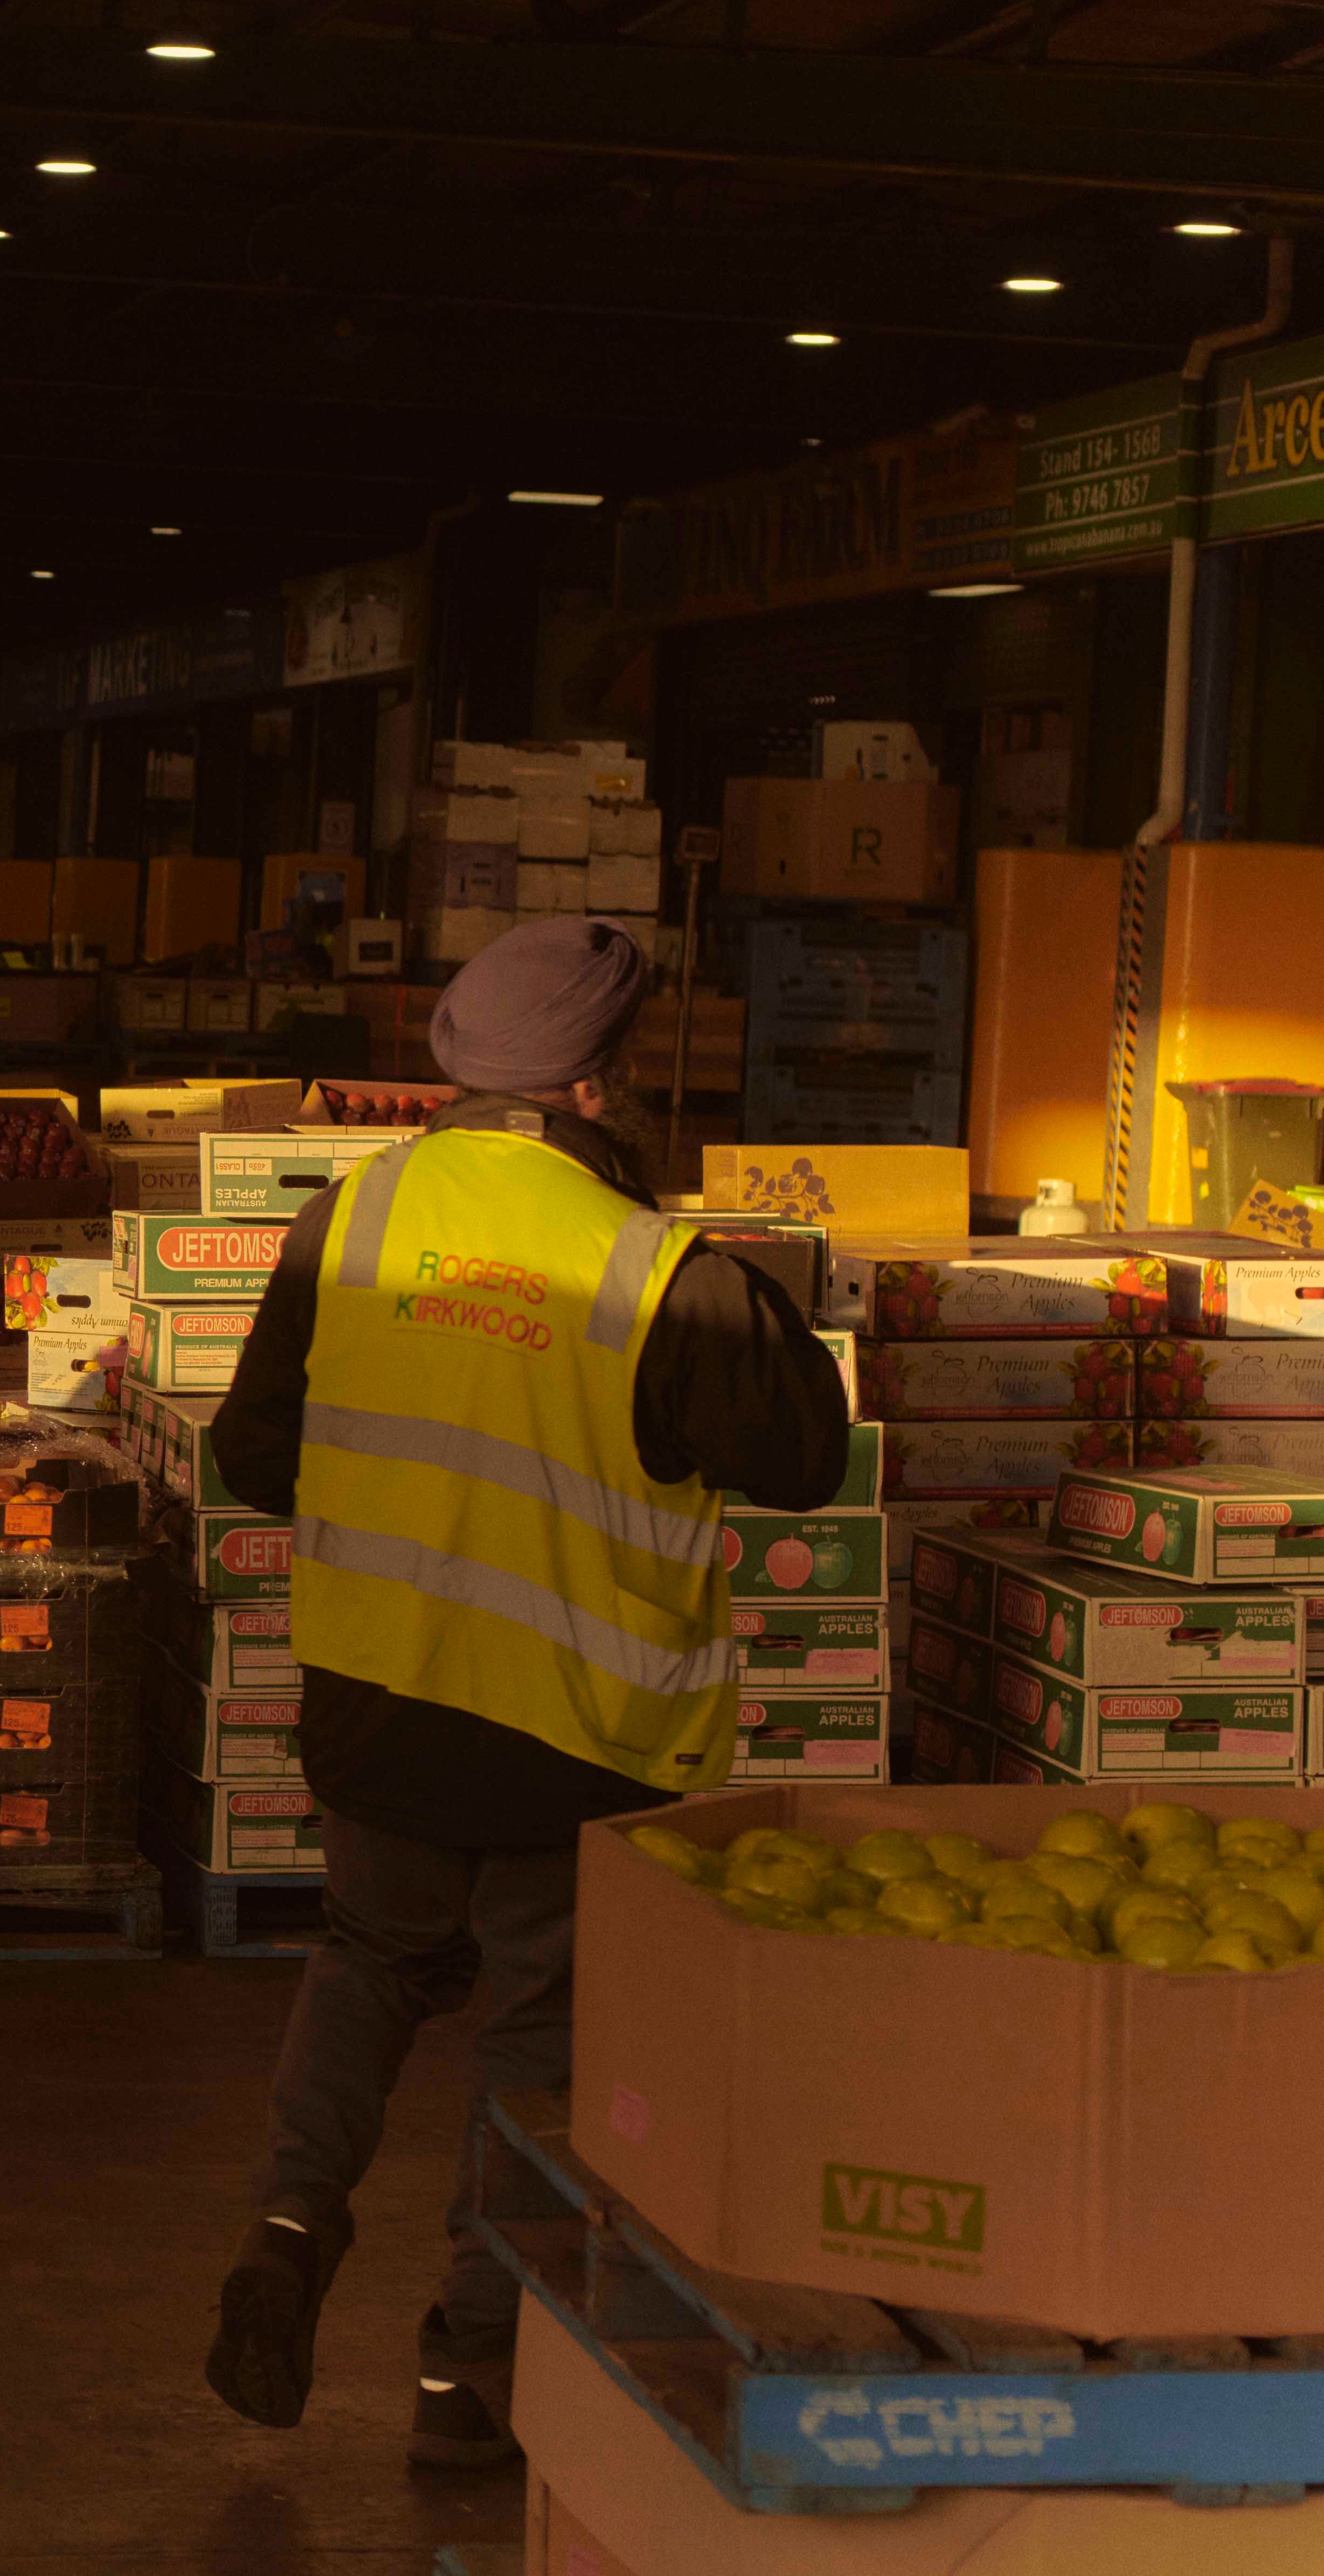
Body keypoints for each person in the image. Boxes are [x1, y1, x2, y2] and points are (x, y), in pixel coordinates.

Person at [198, 916, 845, 2466]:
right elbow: (802, 1457)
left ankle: (289, 2226)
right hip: (574, 1742)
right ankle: (458, 2378)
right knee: (531, 2051)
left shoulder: (350, 1216)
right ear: (602, 1083)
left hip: (376, 1701)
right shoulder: (653, 1268)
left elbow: (248, 1454)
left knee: (365, 1962)